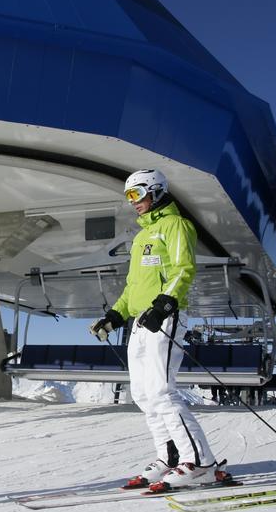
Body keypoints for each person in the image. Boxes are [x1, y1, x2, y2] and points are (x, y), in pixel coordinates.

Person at [90, 169, 223, 489]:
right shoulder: (141, 236)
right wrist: (114, 317)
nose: (132, 202)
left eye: (136, 195)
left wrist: (164, 303)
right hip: (139, 321)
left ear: (156, 191)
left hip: (164, 317)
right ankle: (170, 459)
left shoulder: (175, 225)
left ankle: (202, 463)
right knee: (143, 394)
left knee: (163, 391)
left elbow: (183, 269)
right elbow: (133, 286)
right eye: (128, 197)